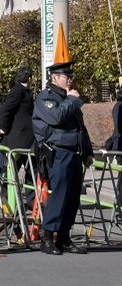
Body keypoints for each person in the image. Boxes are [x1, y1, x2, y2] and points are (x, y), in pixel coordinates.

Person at [32, 60, 92, 255]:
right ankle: (48, 236)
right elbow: (56, 117)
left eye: (71, 77)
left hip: (74, 152)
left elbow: (79, 128)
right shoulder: (46, 98)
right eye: (67, 77)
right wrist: (72, 101)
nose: (70, 80)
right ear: (54, 77)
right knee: (59, 195)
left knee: (73, 197)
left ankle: (64, 237)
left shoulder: (68, 99)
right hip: (58, 152)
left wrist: (87, 151)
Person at [0, 66, 36, 209]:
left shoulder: (25, 91)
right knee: (11, 168)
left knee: (30, 169)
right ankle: (6, 197)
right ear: (29, 78)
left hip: (27, 138)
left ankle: (31, 200)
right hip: (18, 137)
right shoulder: (17, 91)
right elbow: (6, 109)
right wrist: (4, 127)